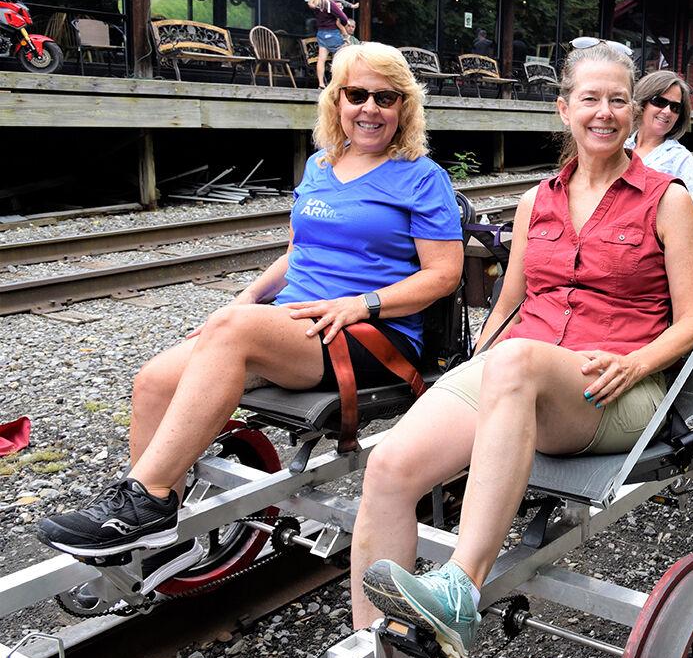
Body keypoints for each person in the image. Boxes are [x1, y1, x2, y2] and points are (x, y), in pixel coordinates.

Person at [36, 44, 466, 572]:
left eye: (385, 97)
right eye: (356, 94)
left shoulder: (422, 177)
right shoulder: (321, 165)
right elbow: (297, 252)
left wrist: (363, 304)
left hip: (370, 334)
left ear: (405, 107)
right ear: (337, 100)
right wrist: (241, 303)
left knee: (233, 333)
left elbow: (444, 276)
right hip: (291, 325)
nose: (369, 108)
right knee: (154, 380)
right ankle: (151, 526)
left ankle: (148, 498)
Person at [353, 40, 693, 658]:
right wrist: (467, 371)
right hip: (521, 370)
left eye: (618, 101)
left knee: (516, 363)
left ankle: (460, 589)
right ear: (563, 108)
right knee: (387, 469)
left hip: (614, 384)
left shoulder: (667, 198)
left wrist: (637, 363)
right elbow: (509, 307)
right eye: (590, 99)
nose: (604, 112)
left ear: (634, 111)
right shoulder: (534, 201)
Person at [625, 70, 693, 215]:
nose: (667, 111)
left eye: (675, 107)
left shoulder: (679, 158)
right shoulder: (620, 145)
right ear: (642, 103)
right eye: (660, 102)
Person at [308, 0, 352, 89]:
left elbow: (311, 5)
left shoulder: (316, 1)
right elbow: (344, 18)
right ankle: (338, 83)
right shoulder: (329, 2)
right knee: (343, 56)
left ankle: (321, 84)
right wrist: (341, 24)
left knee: (321, 59)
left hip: (321, 34)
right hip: (332, 33)